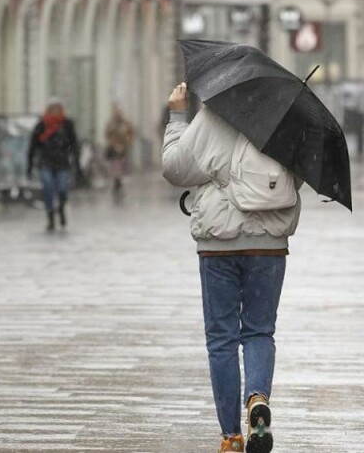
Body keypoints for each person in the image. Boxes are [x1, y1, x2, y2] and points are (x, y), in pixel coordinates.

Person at [162, 82, 300, 453]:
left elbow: (175, 170)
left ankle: (232, 436)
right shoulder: (284, 122)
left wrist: (177, 117)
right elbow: (294, 177)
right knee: (259, 331)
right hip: (269, 244)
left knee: (222, 339)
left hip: (219, 243)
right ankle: (257, 398)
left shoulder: (212, 119)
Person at [27, 99, 80, 232]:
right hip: (46, 162)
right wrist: (30, 164)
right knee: (48, 187)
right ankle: (50, 215)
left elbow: (74, 144)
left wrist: (76, 162)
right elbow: (33, 146)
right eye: (53, 109)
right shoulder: (42, 125)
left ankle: (61, 208)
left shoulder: (67, 125)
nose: (55, 111)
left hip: (62, 163)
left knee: (62, 188)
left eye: (58, 108)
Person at [104, 103, 135, 193]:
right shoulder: (111, 123)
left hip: (122, 148)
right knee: (115, 164)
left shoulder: (125, 123)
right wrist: (113, 144)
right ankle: (116, 179)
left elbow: (130, 134)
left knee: (120, 164)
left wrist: (126, 143)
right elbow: (108, 134)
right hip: (114, 148)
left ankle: (118, 179)